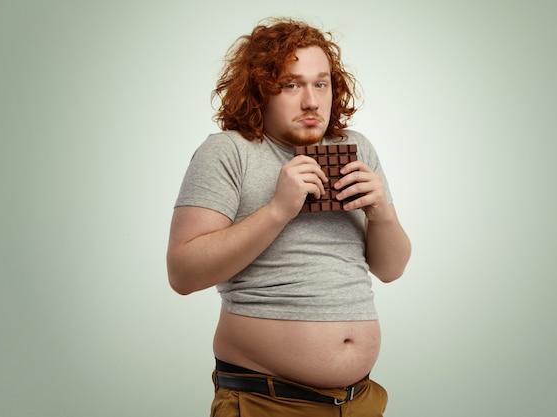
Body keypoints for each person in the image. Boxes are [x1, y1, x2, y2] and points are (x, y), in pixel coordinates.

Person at [166, 17, 411, 416]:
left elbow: (391, 269)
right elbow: (182, 273)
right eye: (291, 85)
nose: (312, 100)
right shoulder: (228, 152)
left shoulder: (356, 148)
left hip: (360, 402)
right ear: (259, 91)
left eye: (322, 83)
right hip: (267, 401)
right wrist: (278, 210)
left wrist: (381, 213)